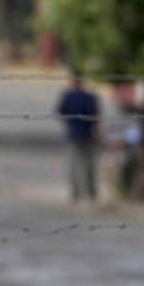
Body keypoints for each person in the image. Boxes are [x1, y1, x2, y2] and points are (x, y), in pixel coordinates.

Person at [56, 73, 102, 204]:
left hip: (73, 134)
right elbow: (96, 117)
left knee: (74, 165)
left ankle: (75, 194)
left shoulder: (68, 96)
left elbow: (60, 112)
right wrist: (98, 133)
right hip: (88, 134)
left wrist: (70, 123)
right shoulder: (90, 97)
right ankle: (91, 193)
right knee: (89, 165)